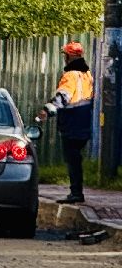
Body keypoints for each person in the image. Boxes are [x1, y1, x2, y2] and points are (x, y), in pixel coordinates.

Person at [36, 40, 95, 205]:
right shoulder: (87, 74)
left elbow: (63, 97)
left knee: (72, 159)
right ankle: (77, 191)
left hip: (71, 121)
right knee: (76, 158)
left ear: (68, 56)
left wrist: (47, 110)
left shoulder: (70, 75)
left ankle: (76, 192)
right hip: (84, 121)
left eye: (65, 55)